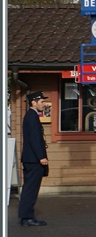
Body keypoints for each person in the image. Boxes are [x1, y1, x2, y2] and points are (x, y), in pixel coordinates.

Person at [18, 91, 50, 226]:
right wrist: (41, 156)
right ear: (34, 102)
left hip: (31, 158)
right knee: (31, 188)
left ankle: (26, 216)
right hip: (33, 159)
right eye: (42, 102)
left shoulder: (31, 116)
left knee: (29, 187)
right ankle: (27, 217)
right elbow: (34, 139)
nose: (44, 104)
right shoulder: (31, 116)